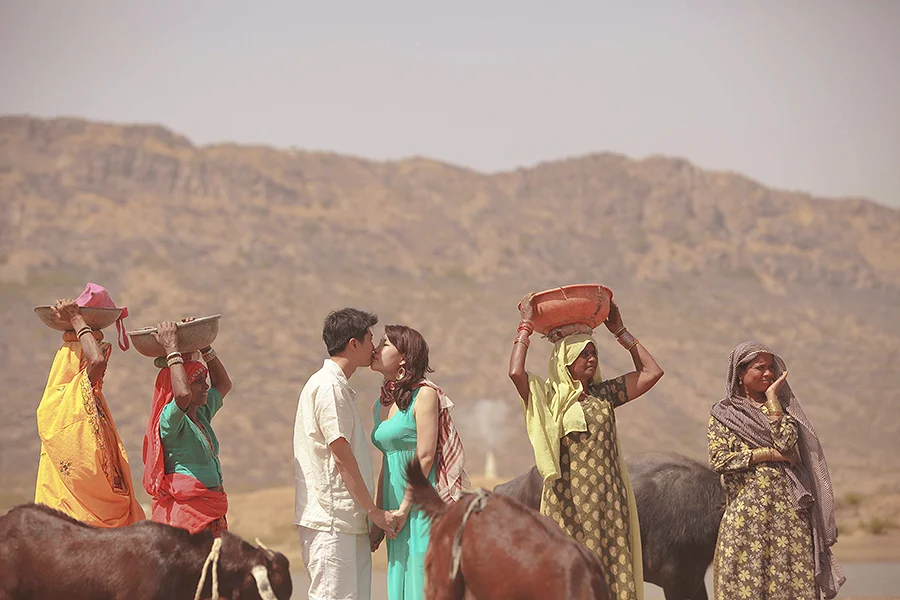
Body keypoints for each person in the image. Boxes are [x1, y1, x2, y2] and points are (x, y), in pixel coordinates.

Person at [508, 294, 664, 600]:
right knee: (569, 575)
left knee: (609, 575)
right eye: (583, 354)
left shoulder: (605, 395)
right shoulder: (548, 397)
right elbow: (516, 373)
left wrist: (621, 333)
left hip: (607, 502)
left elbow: (651, 372)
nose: (591, 359)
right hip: (568, 504)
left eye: (594, 354)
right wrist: (525, 326)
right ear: (565, 360)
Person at [708, 341, 845, 600]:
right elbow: (719, 460)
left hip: (789, 522)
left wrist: (772, 401)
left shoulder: (784, 413)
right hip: (746, 522)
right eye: (761, 368)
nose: (769, 374)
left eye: (771, 368)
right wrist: (767, 454)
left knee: (791, 589)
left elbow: (785, 443)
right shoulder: (723, 414)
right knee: (743, 589)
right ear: (740, 372)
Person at [294, 308, 399, 600]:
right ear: (353, 344)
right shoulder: (328, 387)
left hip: (346, 521)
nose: (375, 347)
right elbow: (341, 456)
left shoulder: (338, 386)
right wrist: (374, 513)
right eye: (370, 339)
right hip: (331, 522)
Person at [369, 325, 469, 600]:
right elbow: (386, 464)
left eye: (385, 344)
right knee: (399, 577)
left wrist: (403, 508)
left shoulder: (424, 394)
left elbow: (425, 456)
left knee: (421, 581)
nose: (376, 349)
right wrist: (379, 516)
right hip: (394, 505)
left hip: (420, 502)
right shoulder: (381, 405)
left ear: (403, 357)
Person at [34, 285, 144, 526]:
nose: (104, 359)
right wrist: (76, 318)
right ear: (75, 360)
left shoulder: (90, 400)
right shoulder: (66, 398)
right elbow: (97, 360)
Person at [142, 321, 232, 535]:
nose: (206, 386)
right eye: (199, 380)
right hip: (188, 515)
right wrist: (171, 348)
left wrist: (205, 346)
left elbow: (223, 384)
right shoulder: (169, 421)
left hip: (211, 508)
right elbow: (182, 395)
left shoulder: (200, 413)